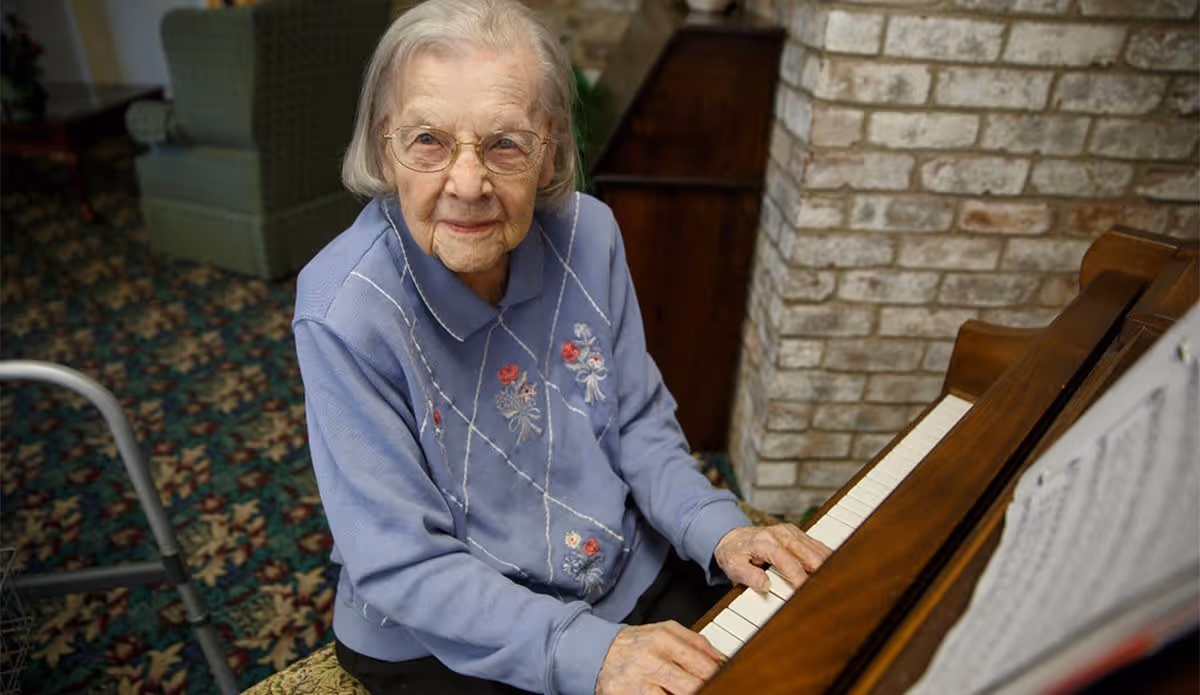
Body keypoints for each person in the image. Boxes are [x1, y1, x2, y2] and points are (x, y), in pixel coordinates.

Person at [292, 1, 831, 693]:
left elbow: (636, 424)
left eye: (505, 143)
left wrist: (720, 531)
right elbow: (402, 562)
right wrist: (590, 653)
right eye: (428, 139)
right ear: (382, 144)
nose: (467, 184)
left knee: (789, 653)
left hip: (614, 562)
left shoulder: (591, 234)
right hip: (447, 628)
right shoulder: (343, 311)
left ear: (550, 146)